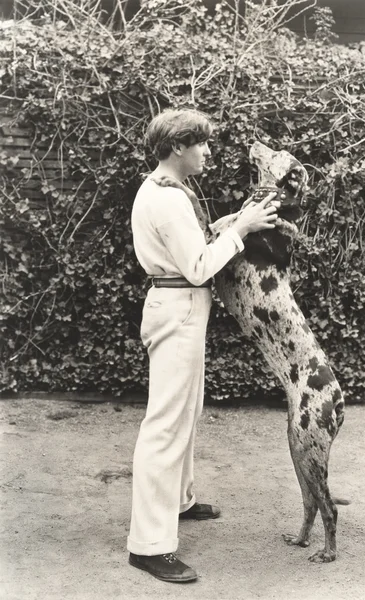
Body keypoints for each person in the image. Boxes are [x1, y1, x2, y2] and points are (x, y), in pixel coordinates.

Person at [128, 108, 279, 584]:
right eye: (202, 144)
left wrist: (233, 222)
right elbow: (197, 267)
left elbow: (190, 246)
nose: (208, 151)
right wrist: (241, 231)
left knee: (185, 413)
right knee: (166, 425)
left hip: (180, 307)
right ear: (179, 147)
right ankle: (149, 545)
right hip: (179, 307)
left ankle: (179, 501)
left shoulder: (166, 188)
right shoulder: (168, 199)